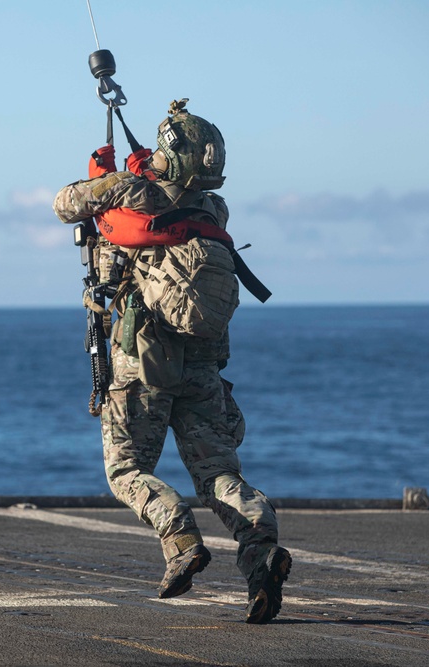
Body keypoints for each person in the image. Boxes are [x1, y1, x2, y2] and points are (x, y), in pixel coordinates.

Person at [52, 99, 291, 623]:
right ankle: (261, 554)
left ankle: (179, 537)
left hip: (145, 359)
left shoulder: (131, 192)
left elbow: (65, 203)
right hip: (204, 366)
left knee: (126, 468)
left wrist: (112, 174)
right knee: (218, 473)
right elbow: (171, 194)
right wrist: (149, 167)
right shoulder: (213, 211)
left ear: (168, 153)